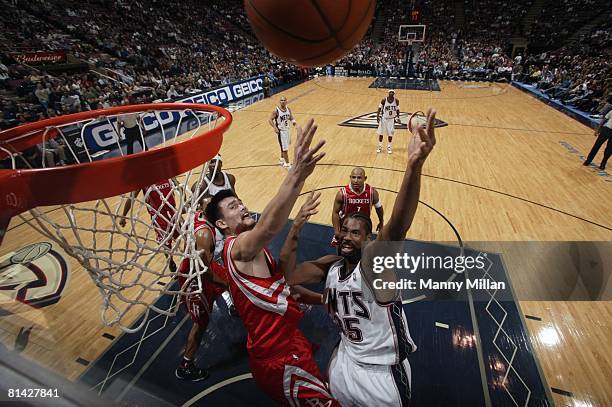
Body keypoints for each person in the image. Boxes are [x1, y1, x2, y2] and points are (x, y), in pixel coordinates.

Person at [282, 109, 438, 406]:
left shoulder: (374, 266)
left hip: (382, 376)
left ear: (368, 240)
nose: (347, 236)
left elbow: (396, 227)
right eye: (345, 231)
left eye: (356, 233)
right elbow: (289, 274)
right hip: (344, 363)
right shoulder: (329, 266)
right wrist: (296, 227)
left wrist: (414, 165)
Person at [205, 119, 338, 406]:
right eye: (232, 206)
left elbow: (287, 289)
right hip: (278, 359)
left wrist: (324, 300)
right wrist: (297, 174)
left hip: (291, 342)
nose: (240, 205)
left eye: (240, 201)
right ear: (221, 224)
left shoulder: (258, 252)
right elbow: (267, 226)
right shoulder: (234, 248)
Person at [175, 210, 229, 381]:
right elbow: (205, 273)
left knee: (231, 276)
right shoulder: (204, 233)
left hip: (203, 266)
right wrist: (227, 284)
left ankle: (235, 303)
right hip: (195, 279)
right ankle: (186, 365)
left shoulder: (197, 214)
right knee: (201, 323)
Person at [119, 179, 178, 272]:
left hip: (173, 213)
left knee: (186, 236)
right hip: (159, 217)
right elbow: (131, 198)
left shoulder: (166, 172)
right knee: (166, 244)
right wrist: (123, 216)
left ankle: (190, 260)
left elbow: (178, 186)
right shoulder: (143, 180)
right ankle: (171, 262)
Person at [331, 167, 384, 247]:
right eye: (353, 177)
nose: (355, 180)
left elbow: (379, 208)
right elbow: (335, 212)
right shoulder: (342, 194)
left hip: (362, 227)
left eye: (359, 178)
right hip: (346, 227)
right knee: (342, 249)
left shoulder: (372, 192)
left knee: (364, 250)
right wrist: (336, 230)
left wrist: (381, 221)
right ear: (350, 177)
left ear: (365, 178)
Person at [268, 96, 296, 168]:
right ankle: (288, 164)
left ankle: (281, 159)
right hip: (281, 132)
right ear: (279, 101)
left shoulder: (288, 109)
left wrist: (293, 122)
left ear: (286, 101)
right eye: (281, 100)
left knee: (284, 147)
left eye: (284, 100)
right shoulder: (276, 111)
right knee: (285, 149)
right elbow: (270, 120)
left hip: (287, 130)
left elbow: (290, 116)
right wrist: (275, 127)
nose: (283, 101)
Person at [583, 100, 612, 170]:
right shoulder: (611, 111)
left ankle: (603, 163)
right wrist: (598, 129)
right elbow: (604, 120)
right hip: (607, 130)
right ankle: (588, 160)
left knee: (609, 150)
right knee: (597, 145)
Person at [376, 90, 400, 154]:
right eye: (390, 92)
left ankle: (389, 147)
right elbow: (379, 108)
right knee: (381, 133)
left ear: (394, 94)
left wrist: (398, 117)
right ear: (388, 93)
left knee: (390, 134)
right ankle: (380, 146)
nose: (391, 93)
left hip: (391, 119)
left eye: (392, 92)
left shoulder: (396, 101)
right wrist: (377, 116)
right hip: (384, 118)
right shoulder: (384, 100)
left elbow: (397, 110)